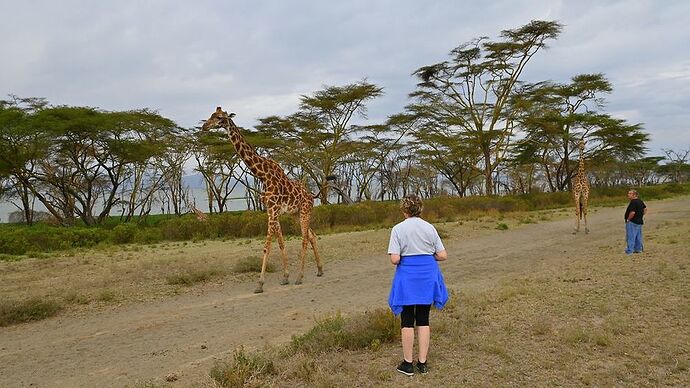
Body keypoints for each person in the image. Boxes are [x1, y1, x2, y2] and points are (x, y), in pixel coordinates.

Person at [387, 195, 449, 376]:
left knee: (407, 320)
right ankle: (422, 363)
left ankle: (407, 364)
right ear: (420, 209)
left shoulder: (398, 229)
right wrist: (428, 256)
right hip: (427, 275)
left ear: (404, 210)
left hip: (407, 276)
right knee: (423, 318)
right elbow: (443, 255)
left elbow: (395, 259)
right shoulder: (429, 227)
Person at [624, 189, 647, 255]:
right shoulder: (640, 201)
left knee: (631, 236)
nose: (628, 195)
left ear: (634, 195)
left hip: (632, 222)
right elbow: (645, 209)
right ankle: (638, 249)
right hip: (639, 221)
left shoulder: (633, 202)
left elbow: (632, 212)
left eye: (630, 193)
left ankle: (630, 250)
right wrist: (640, 215)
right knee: (638, 236)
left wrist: (628, 219)